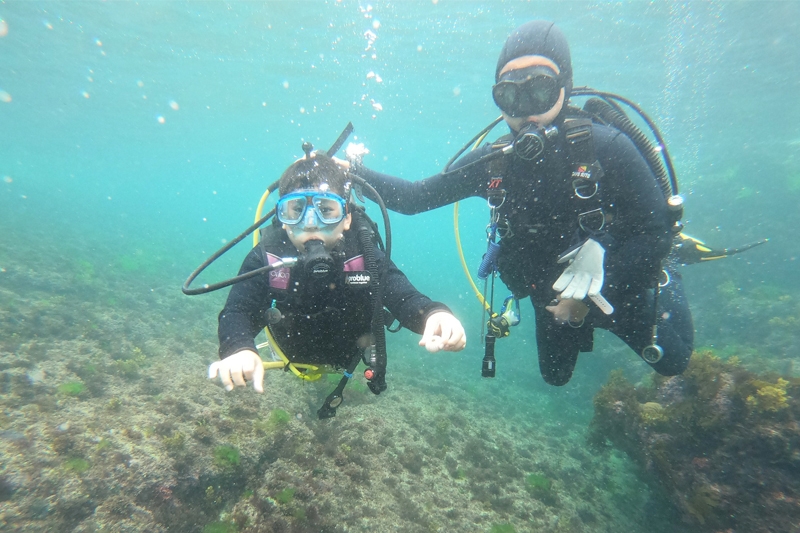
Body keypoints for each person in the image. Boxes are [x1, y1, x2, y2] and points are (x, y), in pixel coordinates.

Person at [344, 20, 694, 386]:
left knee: (674, 359)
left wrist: (594, 285)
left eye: (540, 89)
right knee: (555, 376)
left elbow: (657, 232)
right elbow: (415, 198)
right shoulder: (493, 163)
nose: (526, 109)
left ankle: (668, 282)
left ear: (565, 87)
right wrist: (352, 172)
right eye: (510, 95)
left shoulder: (607, 147)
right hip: (552, 298)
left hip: (617, 282)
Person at [208, 148, 467, 410]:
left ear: (347, 218)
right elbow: (238, 310)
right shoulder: (268, 257)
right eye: (295, 210)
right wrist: (238, 347)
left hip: (349, 355)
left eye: (326, 210)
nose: (310, 223)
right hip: (290, 354)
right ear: (282, 220)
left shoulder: (364, 254)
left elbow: (405, 297)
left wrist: (434, 315)